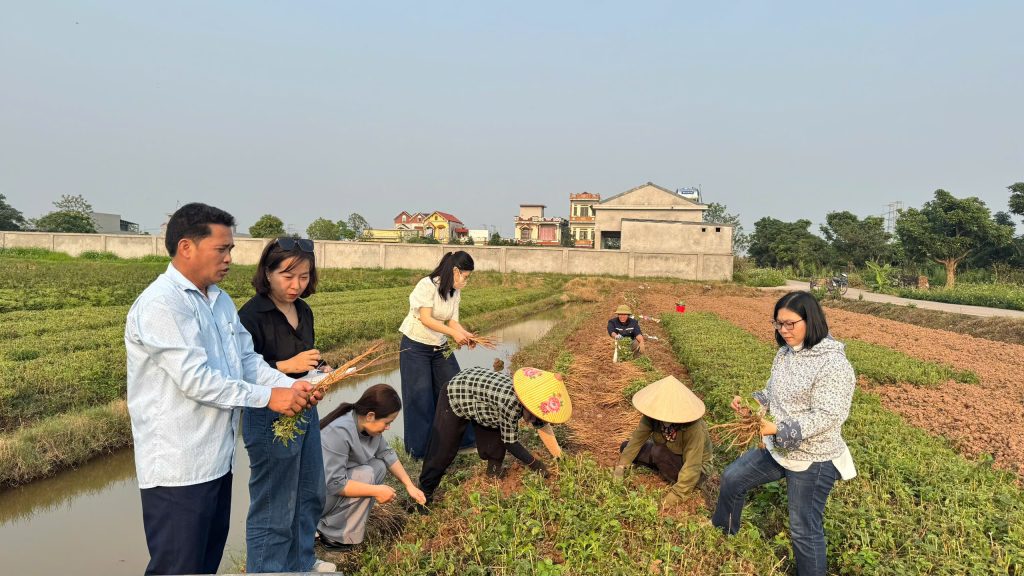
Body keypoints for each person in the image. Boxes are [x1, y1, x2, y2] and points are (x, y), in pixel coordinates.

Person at [125, 203, 319, 576]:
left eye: (230, 249)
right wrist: (270, 397)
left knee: (205, 564)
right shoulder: (161, 305)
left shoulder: (220, 301)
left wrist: (297, 388)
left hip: (216, 460)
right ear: (186, 248)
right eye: (222, 249)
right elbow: (196, 380)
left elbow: (247, 363)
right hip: (177, 468)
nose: (230, 258)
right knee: (177, 567)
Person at [712, 291, 857, 576]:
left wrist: (778, 428)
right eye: (779, 324)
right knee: (732, 478)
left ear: (811, 320)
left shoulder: (834, 364)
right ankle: (722, 535)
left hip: (814, 458)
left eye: (791, 323)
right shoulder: (785, 354)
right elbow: (772, 393)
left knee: (803, 528)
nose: (784, 330)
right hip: (779, 447)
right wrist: (753, 408)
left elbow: (829, 415)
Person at [238, 237, 335, 574]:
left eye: (304, 277)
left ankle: (302, 561)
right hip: (268, 415)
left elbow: (305, 364)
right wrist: (285, 366)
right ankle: (268, 569)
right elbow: (241, 372)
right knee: (274, 502)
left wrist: (320, 373)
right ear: (267, 273)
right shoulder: (251, 316)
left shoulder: (303, 311)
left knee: (310, 491)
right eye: (287, 276)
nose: (296, 285)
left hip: (304, 409)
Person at [418, 366, 571, 506]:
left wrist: (559, 456)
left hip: (482, 401)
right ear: (526, 402)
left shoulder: (531, 400)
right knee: (443, 451)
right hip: (456, 393)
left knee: (495, 441)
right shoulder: (510, 403)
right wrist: (535, 464)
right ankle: (424, 495)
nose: (531, 421)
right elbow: (510, 442)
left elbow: (542, 426)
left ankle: (493, 474)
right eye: (531, 417)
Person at [318, 384, 426, 550]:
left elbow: (387, 454)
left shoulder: (366, 427)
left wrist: (409, 485)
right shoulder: (338, 432)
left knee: (379, 466)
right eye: (387, 422)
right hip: (317, 496)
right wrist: (376, 491)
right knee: (367, 474)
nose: (388, 427)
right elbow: (334, 483)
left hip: (331, 489)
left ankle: (338, 525)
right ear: (370, 416)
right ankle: (332, 535)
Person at [398, 250, 477, 459]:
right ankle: (419, 452)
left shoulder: (454, 291)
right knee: (420, 398)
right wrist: (453, 334)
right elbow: (426, 319)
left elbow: (453, 321)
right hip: (415, 347)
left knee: (456, 389)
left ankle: (463, 442)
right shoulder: (427, 285)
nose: (466, 282)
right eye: (466, 277)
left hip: (439, 346)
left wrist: (465, 334)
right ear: (455, 271)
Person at [613, 375, 713, 508]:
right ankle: (661, 465)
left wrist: (674, 496)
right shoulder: (652, 416)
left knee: (658, 452)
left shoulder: (693, 428)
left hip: (696, 469)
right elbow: (637, 439)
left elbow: (692, 464)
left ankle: (665, 467)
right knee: (626, 446)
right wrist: (621, 466)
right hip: (667, 453)